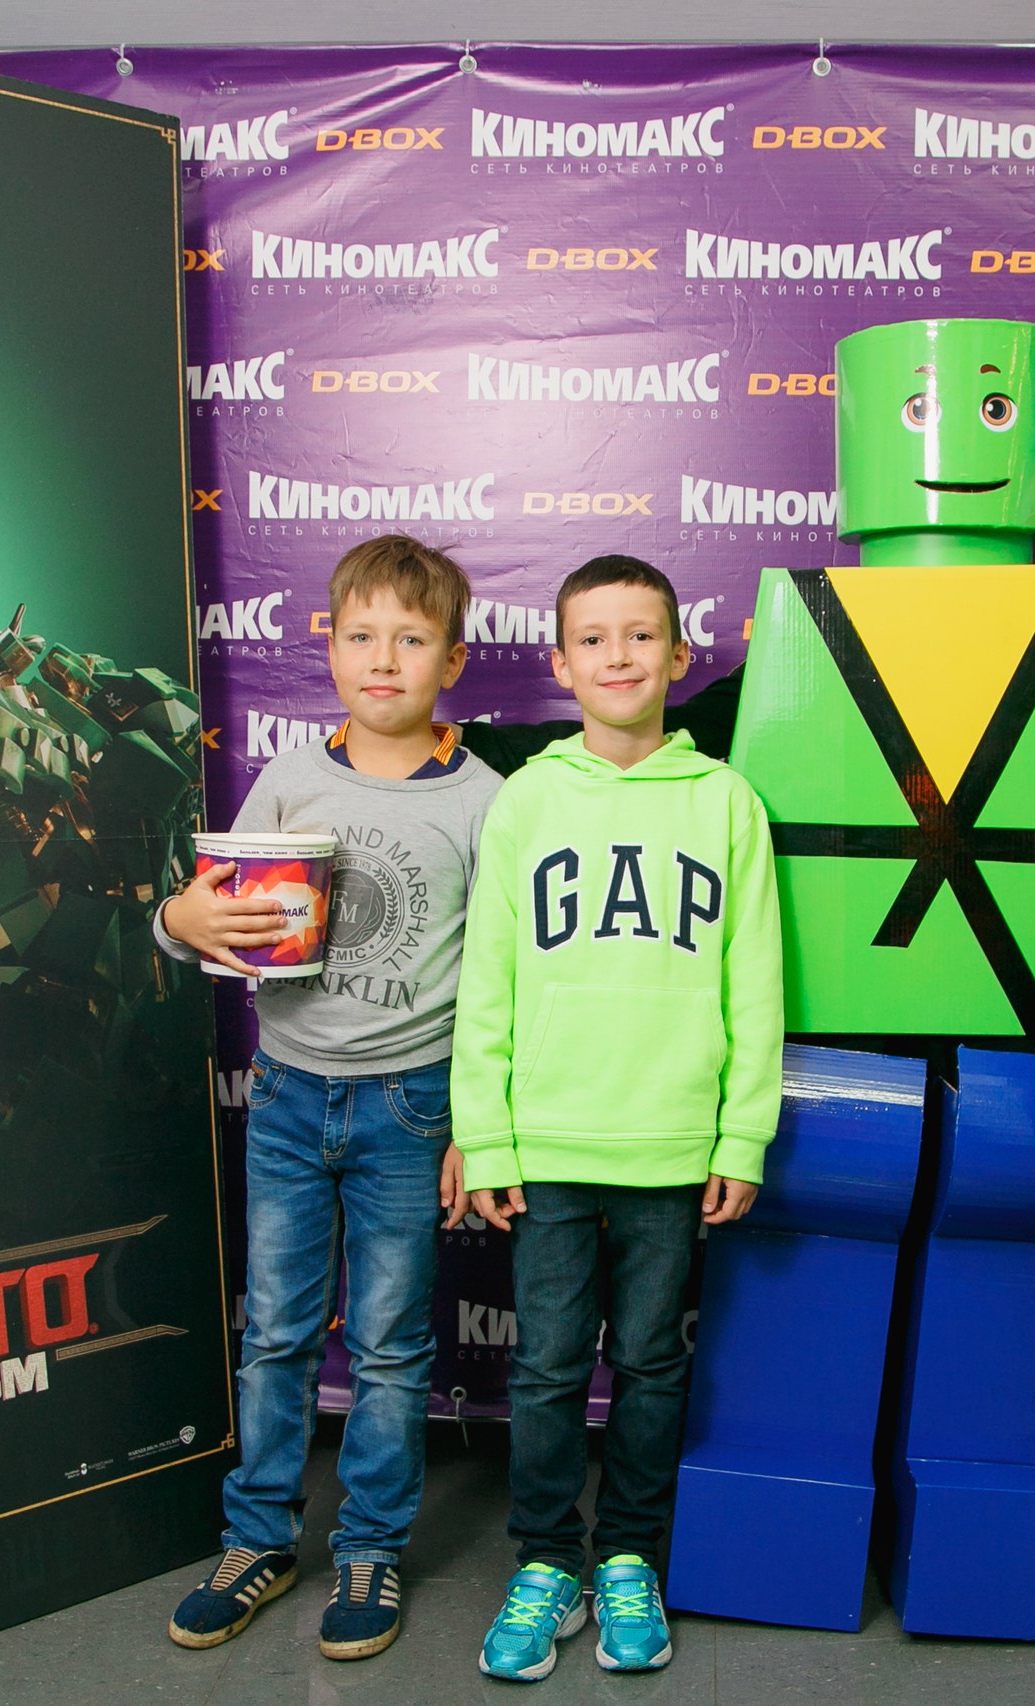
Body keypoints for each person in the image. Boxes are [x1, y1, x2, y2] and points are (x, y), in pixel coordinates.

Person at [155, 534, 501, 1661]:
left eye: (411, 638)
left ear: (451, 659)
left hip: (411, 1108)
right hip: (290, 1094)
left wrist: (476, 1125)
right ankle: (257, 1538)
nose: (383, 659)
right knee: (277, 1333)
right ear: (331, 647)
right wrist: (180, 919)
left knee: (392, 1345)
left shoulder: (486, 802)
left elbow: (501, 981)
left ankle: (370, 1545)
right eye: (362, 636)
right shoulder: (293, 778)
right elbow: (212, 909)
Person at [452, 554, 783, 1682]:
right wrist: (487, 1134)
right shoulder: (527, 801)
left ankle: (631, 1553)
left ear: (680, 656)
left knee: (649, 1360)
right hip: (549, 1138)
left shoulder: (724, 800)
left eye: (641, 635)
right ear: (561, 664)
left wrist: (740, 1134)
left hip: (671, 1142)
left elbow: (755, 983)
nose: (619, 656)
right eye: (593, 639)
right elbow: (487, 982)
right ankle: (547, 1560)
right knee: (548, 1367)